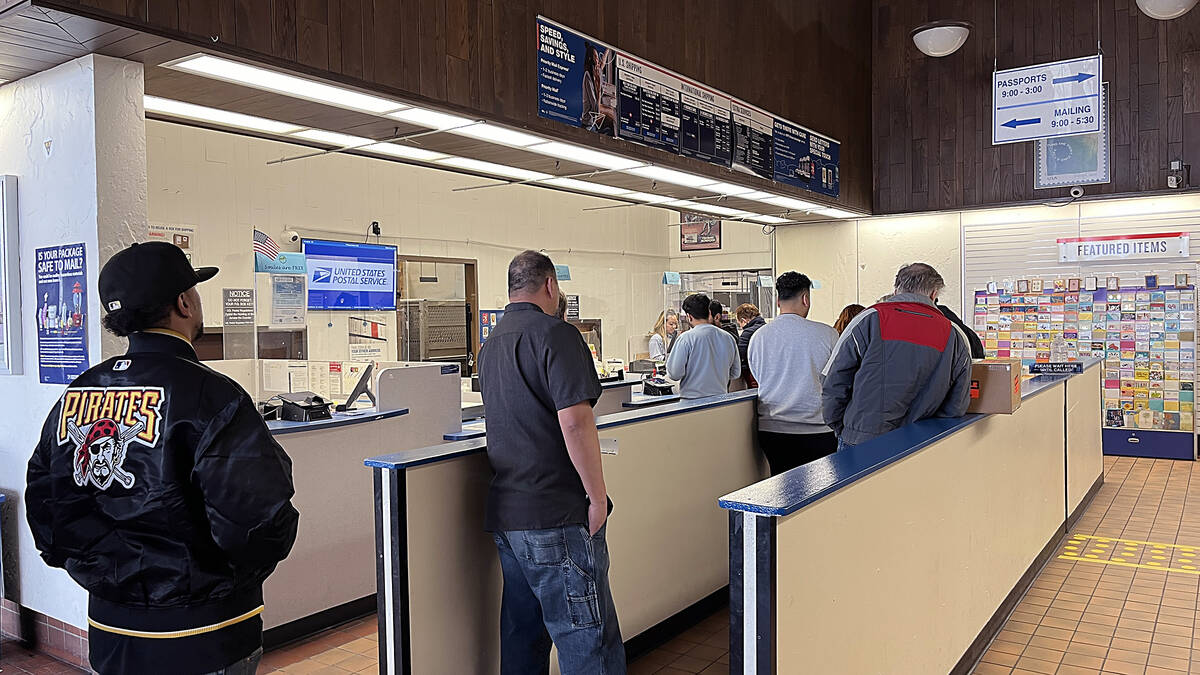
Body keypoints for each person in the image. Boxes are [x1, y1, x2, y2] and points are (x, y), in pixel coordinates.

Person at [26, 241, 299, 675]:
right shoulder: (211, 395)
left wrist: (101, 574)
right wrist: (232, 581)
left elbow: (45, 504)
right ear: (184, 302)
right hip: (206, 634)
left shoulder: (79, 392)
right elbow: (259, 521)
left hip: (110, 632)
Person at [478, 250, 625, 675]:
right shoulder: (557, 335)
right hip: (556, 516)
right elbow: (576, 423)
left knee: (523, 637)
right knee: (588, 640)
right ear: (550, 286)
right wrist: (597, 498)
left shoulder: (492, 343)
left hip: (508, 515)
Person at [821, 263, 972, 450]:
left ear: (896, 290)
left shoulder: (868, 319)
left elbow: (833, 380)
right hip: (919, 445)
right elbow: (957, 406)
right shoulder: (954, 335)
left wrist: (843, 427)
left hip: (861, 441)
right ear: (934, 295)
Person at [748, 273, 840, 475]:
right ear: (805, 298)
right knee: (819, 494)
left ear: (778, 300)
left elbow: (757, 374)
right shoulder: (828, 334)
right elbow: (836, 381)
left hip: (772, 431)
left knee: (781, 489)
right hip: (817, 430)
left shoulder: (759, 336)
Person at [667, 293, 741, 399]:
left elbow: (674, 374)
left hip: (692, 403)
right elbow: (735, 373)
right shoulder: (728, 338)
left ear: (689, 316)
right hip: (721, 401)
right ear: (709, 313)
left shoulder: (686, 339)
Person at [734, 303, 766, 387]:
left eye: (740, 324)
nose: (741, 327)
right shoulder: (767, 328)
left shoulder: (747, 333)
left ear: (744, 320)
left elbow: (741, 356)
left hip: (753, 376)